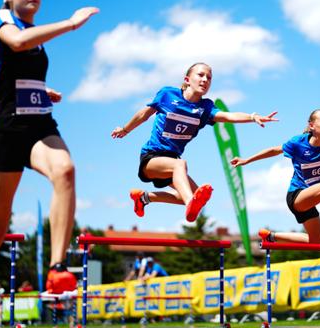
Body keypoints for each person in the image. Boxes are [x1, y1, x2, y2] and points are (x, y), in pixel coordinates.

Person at [0, 0, 98, 328]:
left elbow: (21, 68)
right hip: (6, 129)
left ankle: (57, 267)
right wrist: (71, 24)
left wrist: (43, 90)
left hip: (38, 125)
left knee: (66, 171)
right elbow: (16, 44)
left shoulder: (36, 38)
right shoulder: (3, 21)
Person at [111, 63, 277, 222]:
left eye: (209, 78)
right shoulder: (168, 94)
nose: (205, 80)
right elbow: (144, 114)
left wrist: (251, 117)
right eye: (201, 75)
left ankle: (144, 198)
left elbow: (228, 116)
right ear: (187, 79)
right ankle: (190, 202)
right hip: (152, 157)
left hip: (171, 163)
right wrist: (125, 129)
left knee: (197, 196)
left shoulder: (205, 108)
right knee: (181, 168)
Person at [231, 109, 320, 243]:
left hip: (310, 200)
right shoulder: (298, 143)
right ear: (312, 125)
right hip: (297, 195)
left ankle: (271, 236)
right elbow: (273, 150)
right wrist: (247, 160)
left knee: (317, 242)